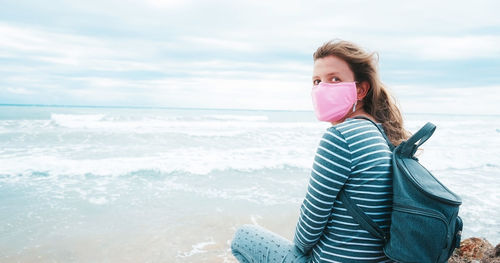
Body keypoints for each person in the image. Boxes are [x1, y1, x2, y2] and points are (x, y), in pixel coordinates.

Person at [231, 39, 409, 263]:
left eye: (334, 79)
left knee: (243, 237)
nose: (322, 88)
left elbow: (309, 228)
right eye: (317, 81)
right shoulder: (383, 134)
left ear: (361, 89)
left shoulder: (341, 136)